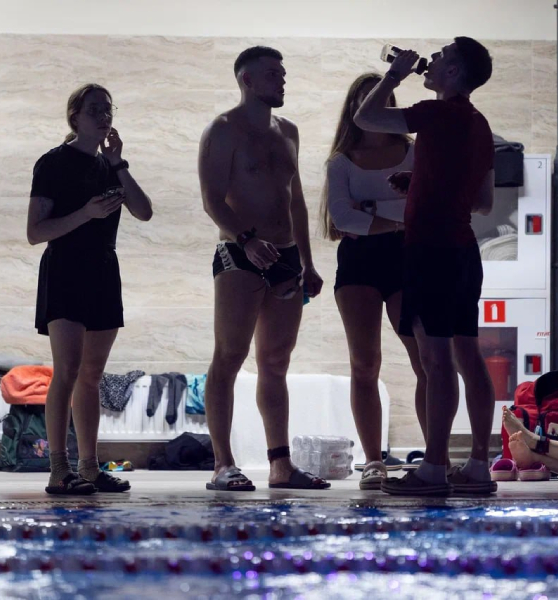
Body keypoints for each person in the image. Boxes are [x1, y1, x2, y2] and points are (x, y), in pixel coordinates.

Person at [353, 37, 497, 496]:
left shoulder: (436, 113)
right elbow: (482, 201)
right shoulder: (480, 125)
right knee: (467, 356)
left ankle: (434, 468)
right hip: (464, 251)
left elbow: (366, 118)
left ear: (453, 72)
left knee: (436, 361)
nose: (429, 62)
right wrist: (422, 181)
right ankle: (478, 465)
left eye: (439, 57)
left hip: (431, 250)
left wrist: (395, 74)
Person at [199, 46, 328, 492]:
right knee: (229, 356)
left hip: (286, 257)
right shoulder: (222, 130)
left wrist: (307, 261)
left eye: (283, 74)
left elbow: (296, 200)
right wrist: (247, 240)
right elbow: (212, 200)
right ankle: (223, 465)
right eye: (273, 74)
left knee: (275, 362)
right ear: (247, 80)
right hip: (239, 254)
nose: (282, 81)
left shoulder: (288, 131)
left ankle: (280, 465)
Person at [27, 84, 153, 495]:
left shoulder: (110, 167)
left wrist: (118, 163)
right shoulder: (52, 163)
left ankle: (89, 468)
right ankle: (58, 469)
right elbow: (35, 232)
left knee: (93, 375)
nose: (103, 116)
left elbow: (144, 211)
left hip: (102, 270)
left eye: (108, 109)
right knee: (66, 370)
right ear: (75, 117)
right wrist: (86, 213)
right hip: (65, 268)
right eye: (94, 109)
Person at [320, 73, 426, 490]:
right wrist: (396, 215)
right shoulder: (341, 161)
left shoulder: (414, 151)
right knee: (364, 364)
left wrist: (368, 210)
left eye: (381, 100)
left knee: (425, 360)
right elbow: (341, 218)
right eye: (364, 101)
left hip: (408, 258)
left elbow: (423, 205)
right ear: (353, 109)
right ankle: (373, 461)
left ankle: (434, 457)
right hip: (359, 264)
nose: (372, 108)